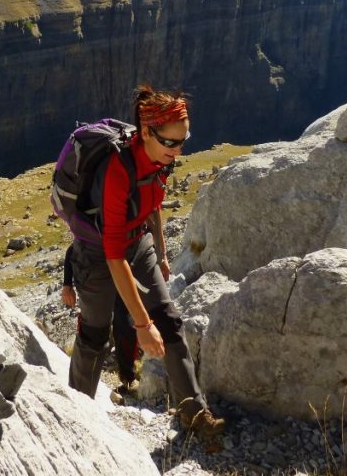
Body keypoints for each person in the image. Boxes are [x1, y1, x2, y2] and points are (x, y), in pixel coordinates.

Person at [67, 84, 225, 443]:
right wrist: (141, 324)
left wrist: (162, 253)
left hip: (139, 242)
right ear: (147, 132)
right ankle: (75, 417)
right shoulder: (118, 170)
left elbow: (151, 205)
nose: (179, 149)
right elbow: (113, 255)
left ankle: (195, 414)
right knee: (94, 335)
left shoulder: (160, 159)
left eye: (183, 140)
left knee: (169, 320)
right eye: (171, 142)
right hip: (97, 254)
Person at [62, 244, 140, 397]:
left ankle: (128, 377)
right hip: (98, 282)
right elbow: (74, 249)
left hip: (120, 278)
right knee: (92, 333)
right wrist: (67, 284)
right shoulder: (91, 235)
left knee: (124, 325)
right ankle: (81, 389)